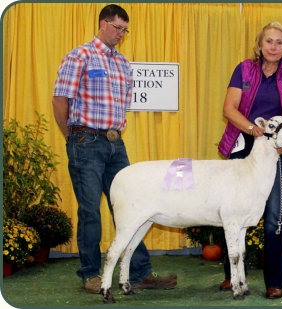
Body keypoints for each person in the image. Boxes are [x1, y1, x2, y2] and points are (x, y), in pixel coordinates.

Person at [52, 4, 177, 294]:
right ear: (102, 24)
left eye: (125, 29)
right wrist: (71, 135)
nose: (121, 33)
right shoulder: (80, 54)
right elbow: (60, 99)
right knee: (90, 210)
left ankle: (140, 272)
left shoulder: (122, 63)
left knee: (134, 206)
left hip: (114, 142)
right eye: (116, 27)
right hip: (85, 140)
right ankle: (90, 274)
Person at [218, 22, 282, 299]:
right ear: (260, 44)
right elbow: (229, 108)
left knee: (273, 217)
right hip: (244, 144)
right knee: (231, 210)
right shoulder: (244, 69)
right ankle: (231, 275)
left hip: (276, 152)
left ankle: (275, 280)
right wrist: (252, 129)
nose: (273, 46)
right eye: (269, 41)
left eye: (280, 42)